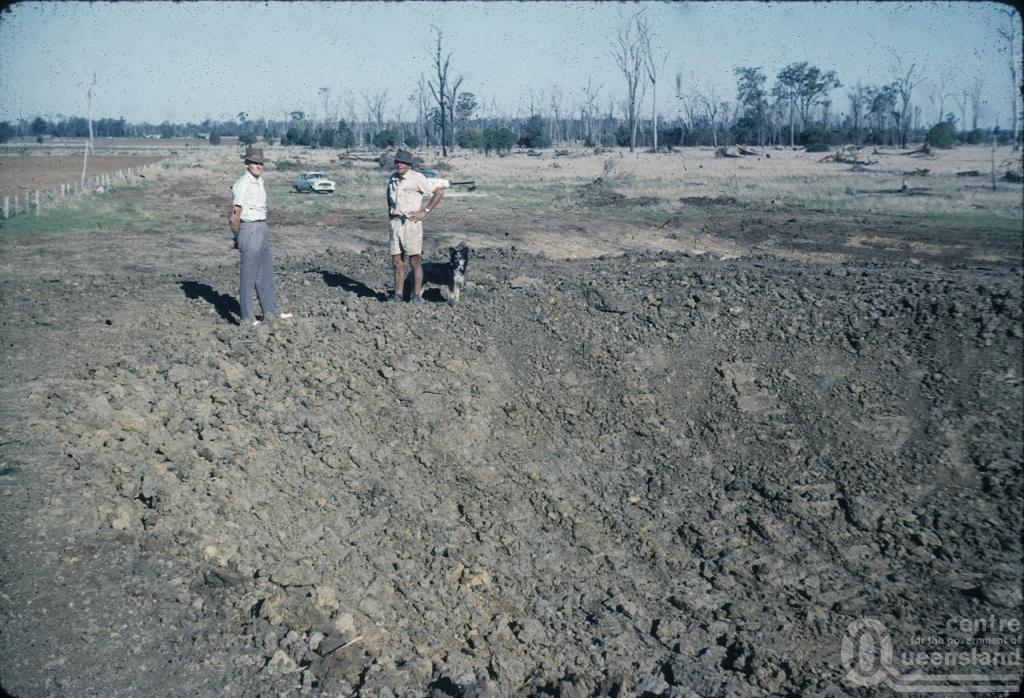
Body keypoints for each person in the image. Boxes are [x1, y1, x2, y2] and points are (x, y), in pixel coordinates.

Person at [228, 147, 292, 326]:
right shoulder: (243, 184)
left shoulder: (259, 182)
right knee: (248, 276)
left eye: (260, 163)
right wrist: (238, 237)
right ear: (247, 164)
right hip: (249, 229)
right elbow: (234, 217)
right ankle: (247, 318)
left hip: (262, 227)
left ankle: (271, 312)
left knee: (265, 274)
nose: (258, 166)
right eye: (254, 163)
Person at [386, 149, 444, 303]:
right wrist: (391, 216)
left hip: (411, 223)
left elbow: (438, 192)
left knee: (415, 261)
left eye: (403, 162)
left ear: (409, 165)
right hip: (395, 223)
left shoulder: (417, 178)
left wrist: (425, 211)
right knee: (397, 261)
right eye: (397, 162)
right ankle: (398, 294)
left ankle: (416, 295)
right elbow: (389, 198)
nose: (399, 165)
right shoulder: (392, 178)